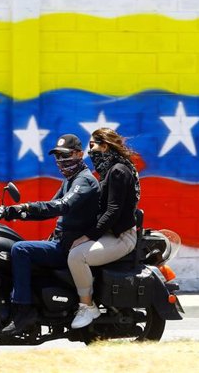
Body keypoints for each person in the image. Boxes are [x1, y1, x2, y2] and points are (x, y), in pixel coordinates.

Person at [0, 133, 100, 335]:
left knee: (21, 249)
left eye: (65, 155)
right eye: (58, 157)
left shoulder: (84, 181)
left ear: (80, 154)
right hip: (61, 243)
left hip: (68, 248)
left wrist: (19, 208)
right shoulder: (70, 180)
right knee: (10, 248)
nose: (61, 161)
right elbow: (46, 210)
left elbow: (60, 206)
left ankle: (23, 311)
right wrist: (12, 212)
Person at [67, 127, 140, 329]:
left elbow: (112, 212)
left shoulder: (118, 171)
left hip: (121, 238)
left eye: (92, 146)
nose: (90, 152)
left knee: (76, 256)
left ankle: (87, 306)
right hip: (111, 234)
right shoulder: (111, 170)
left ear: (105, 146)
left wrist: (87, 237)